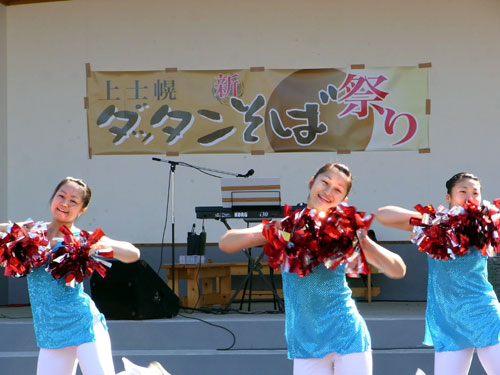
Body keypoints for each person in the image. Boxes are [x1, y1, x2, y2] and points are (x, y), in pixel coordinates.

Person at [218, 163, 406, 375]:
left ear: (344, 199)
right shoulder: (287, 226)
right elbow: (227, 242)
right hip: (305, 342)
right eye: (324, 183)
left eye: (337, 189)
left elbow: (398, 270)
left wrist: (363, 240)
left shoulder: (344, 232)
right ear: (311, 183)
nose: (328, 192)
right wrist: (273, 231)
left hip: (347, 336)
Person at [0, 177, 141, 375]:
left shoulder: (83, 237)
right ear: (53, 198)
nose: (65, 203)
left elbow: (133, 253)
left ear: (82, 209)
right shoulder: (33, 231)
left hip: (84, 327)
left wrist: (99, 245)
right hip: (50, 334)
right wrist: (12, 230)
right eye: (61, 196)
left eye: (73, 201)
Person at [376, 172, 500, 375]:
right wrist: (432, 221)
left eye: (475, 192)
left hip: (482, 312)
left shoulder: (485, 224)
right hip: (446, 318)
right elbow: (383, 214)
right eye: (463, 191)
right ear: (448, 198)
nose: (470, 196)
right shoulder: (434, 226)